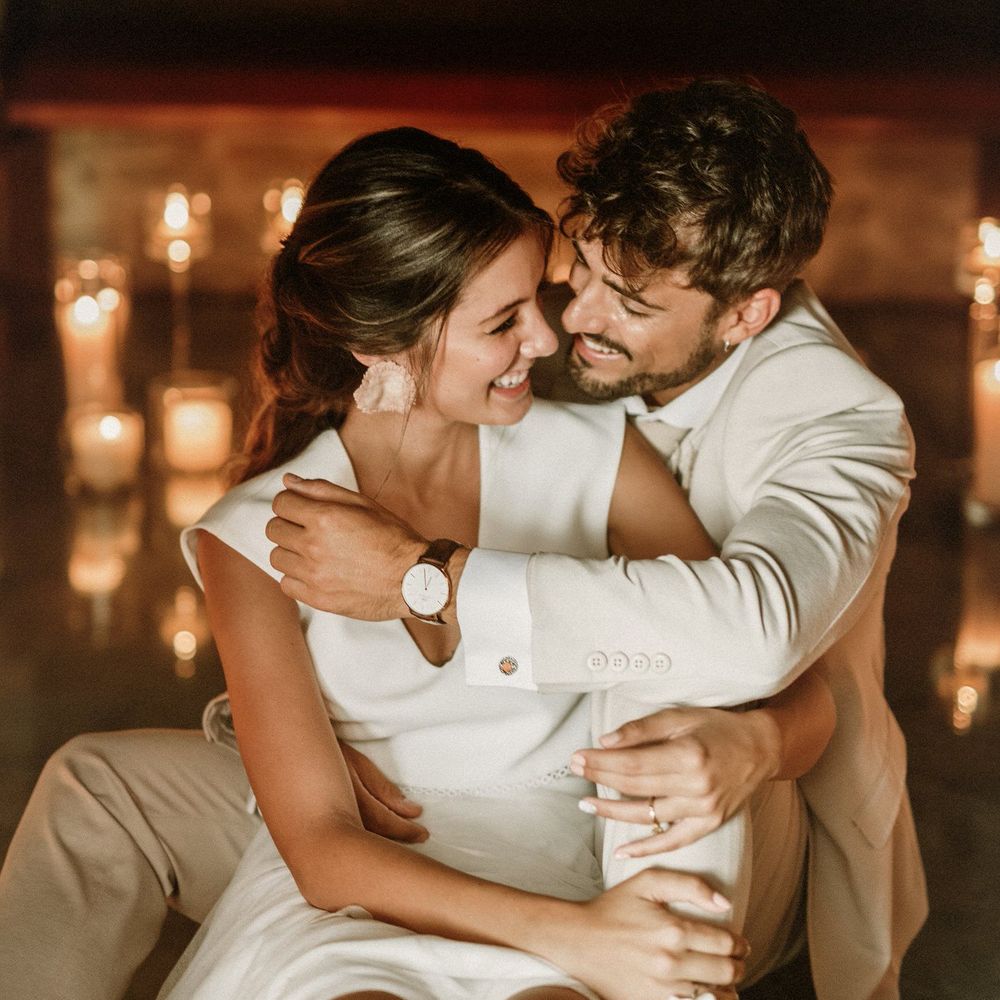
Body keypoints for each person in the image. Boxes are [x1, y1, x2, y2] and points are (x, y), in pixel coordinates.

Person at [263, 81, 929, 1000]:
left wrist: (429, 582)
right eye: (585, 267)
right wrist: (289, 718)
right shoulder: (553, 327)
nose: (573, 317)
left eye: (629, 301)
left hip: (747, 798)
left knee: (679, 675)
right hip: (513, 774)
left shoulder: (846, 420)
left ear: (746, 316)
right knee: (97, 788)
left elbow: (757, 635)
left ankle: (648, 977)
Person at [155, 125, 777, 1000]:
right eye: (502, 321)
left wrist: (758, 741)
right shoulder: (250, 534)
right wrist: (581, 939)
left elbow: (758, 649)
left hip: (564, 868)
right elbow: (325, 851)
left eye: (539, 300)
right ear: (380, 343)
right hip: (356, 907)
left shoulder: (597, 459)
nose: (548, 340)